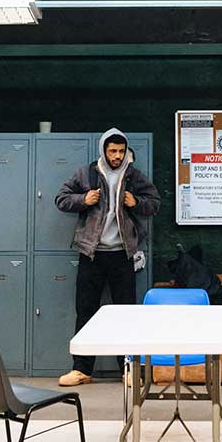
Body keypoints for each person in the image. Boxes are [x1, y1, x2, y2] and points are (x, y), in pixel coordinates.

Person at [53, 128, 161, 387]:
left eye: (121, 151)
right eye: (112, 151)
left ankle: (127, 370)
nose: (117, 156)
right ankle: (81, 370)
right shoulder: (87, 173)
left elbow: (154, 203)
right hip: (91, 253)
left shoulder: (133, 176)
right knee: (86, 311)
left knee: (125, 314)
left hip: (122, 255)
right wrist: (83, 199)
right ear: (103, 150)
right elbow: (60, 199)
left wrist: (136, 202)